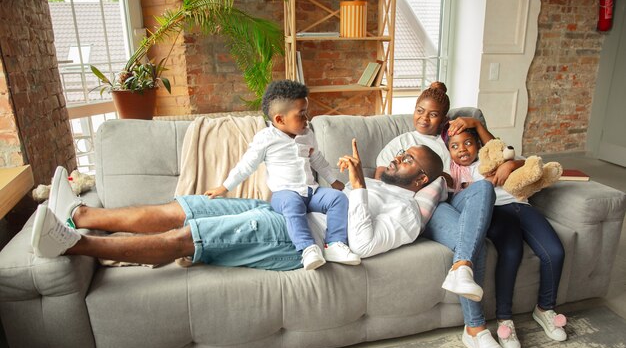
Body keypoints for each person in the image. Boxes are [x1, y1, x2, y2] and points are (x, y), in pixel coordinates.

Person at [31, 141, 447, 275]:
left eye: (407, 161)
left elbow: (364, 243)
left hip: (296, 240)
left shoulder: (409, 213)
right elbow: (334, 193)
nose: (396, 159)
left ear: (420, 181)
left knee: (190, 237)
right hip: (284, 209)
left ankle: (71, 245)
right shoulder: (377, 181)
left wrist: (355, 187)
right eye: (401, 154)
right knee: (185, 207)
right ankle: (83, 216)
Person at [375, 84, 512, 348]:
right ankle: (476, 331)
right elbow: (383, 180)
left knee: (484, 188)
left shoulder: (452, 138)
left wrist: (475, 124)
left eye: (433, 114)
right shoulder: (401, 142)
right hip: (427, 208)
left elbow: (496, 154)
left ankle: (460, 267)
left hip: (456, 199)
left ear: (444, 118)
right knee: (476, 244)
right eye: (419, 111)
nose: (424, 118)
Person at [205, 79, 360, 271]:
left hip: (311, 191)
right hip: (284, 194)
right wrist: (224, 186)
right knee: (292, 204)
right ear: (280, 119)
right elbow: (246, 165)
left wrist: (334, 181)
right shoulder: (266, 139)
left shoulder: (308, 133)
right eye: (301, 114)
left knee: (337, 198)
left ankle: (334, 244)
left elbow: (317, 159)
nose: (307, 118)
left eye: (306, 112)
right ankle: (307, 248)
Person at [447, 128, 567, 348]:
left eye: (468, 142)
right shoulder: (456, 171)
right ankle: (505, 320)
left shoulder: (494, 158)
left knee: (555, 252)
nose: (462, 149)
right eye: (455, 146)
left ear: (479, 145)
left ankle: (545, 309)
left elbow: (526, 163)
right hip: (497, 212)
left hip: (522, 206)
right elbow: (463, 203)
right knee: (512, 254)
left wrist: (509, 166)